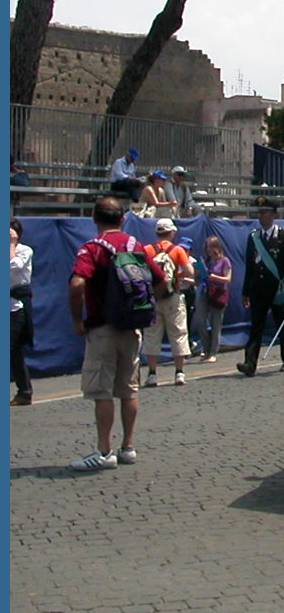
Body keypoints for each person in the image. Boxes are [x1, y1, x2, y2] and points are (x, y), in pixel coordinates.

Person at [68, 196, 163, 471]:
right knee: (129, 389)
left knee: (102, 391)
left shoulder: (92, 249)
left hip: (102, 327)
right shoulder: (136, 246)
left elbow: (77, 285)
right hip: (132, 327)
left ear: (94, 218)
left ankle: (104, 451)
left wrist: (78, 320)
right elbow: (160, 280)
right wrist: (145, 307)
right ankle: (128, 446)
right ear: (123, 218)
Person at [238, 197, 284, 376]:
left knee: (283, 325)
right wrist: (245, 291)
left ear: (273, 215)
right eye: (259, 212)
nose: (261, 216)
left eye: (264, 212)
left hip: (277, 289)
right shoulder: (253, 237)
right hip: (258, 289)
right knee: (256, 326)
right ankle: (250, 363)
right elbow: (249, 266)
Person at [142, 219, 194, 387]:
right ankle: (179, 372)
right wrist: (176, 276)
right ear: (172, 232)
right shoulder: (177, 250)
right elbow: (190, 272)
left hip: (154, 297)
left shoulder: (147, 250)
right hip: (173, 296)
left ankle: (152, 373)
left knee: (151, 335)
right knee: (178, 333)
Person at [10, 218, 34, 405]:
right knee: (15, 351)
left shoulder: (24, 251)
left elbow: (14, 266)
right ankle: (24, 391)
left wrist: (12, 244)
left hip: (16, 307)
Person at [199, 236, 232, 363]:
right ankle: (206, 349)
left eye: (211, 247)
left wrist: (214, 277)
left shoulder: (224, 261)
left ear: (216, 247)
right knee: (200, 321)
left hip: (218, 293)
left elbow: (228, 279)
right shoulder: (206, 262)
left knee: (216, 324)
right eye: (207, 247)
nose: (208, 250)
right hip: (205, 292)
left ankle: (213, 352)